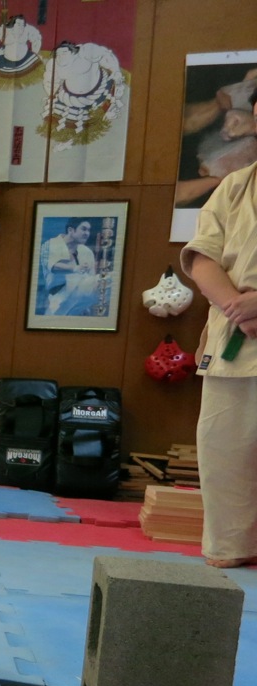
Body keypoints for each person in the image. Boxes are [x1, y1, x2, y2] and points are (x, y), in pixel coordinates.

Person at [182, 90, 257, 569]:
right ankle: (232, 546)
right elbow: (202, 257)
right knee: (224, 449)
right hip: (236, 334)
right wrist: (236, 305)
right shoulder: (234, 186)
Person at [44, 217, 100, 316]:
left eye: (89, 230)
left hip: (81, 292)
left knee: (101, 280)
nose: (87, 233)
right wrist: (75, 268)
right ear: (70, 230)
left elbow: (92, 278)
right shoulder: (51, 244)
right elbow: (53, 267)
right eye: (83, 229)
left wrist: (87, 306)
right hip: (59, 296)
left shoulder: (87, 251)